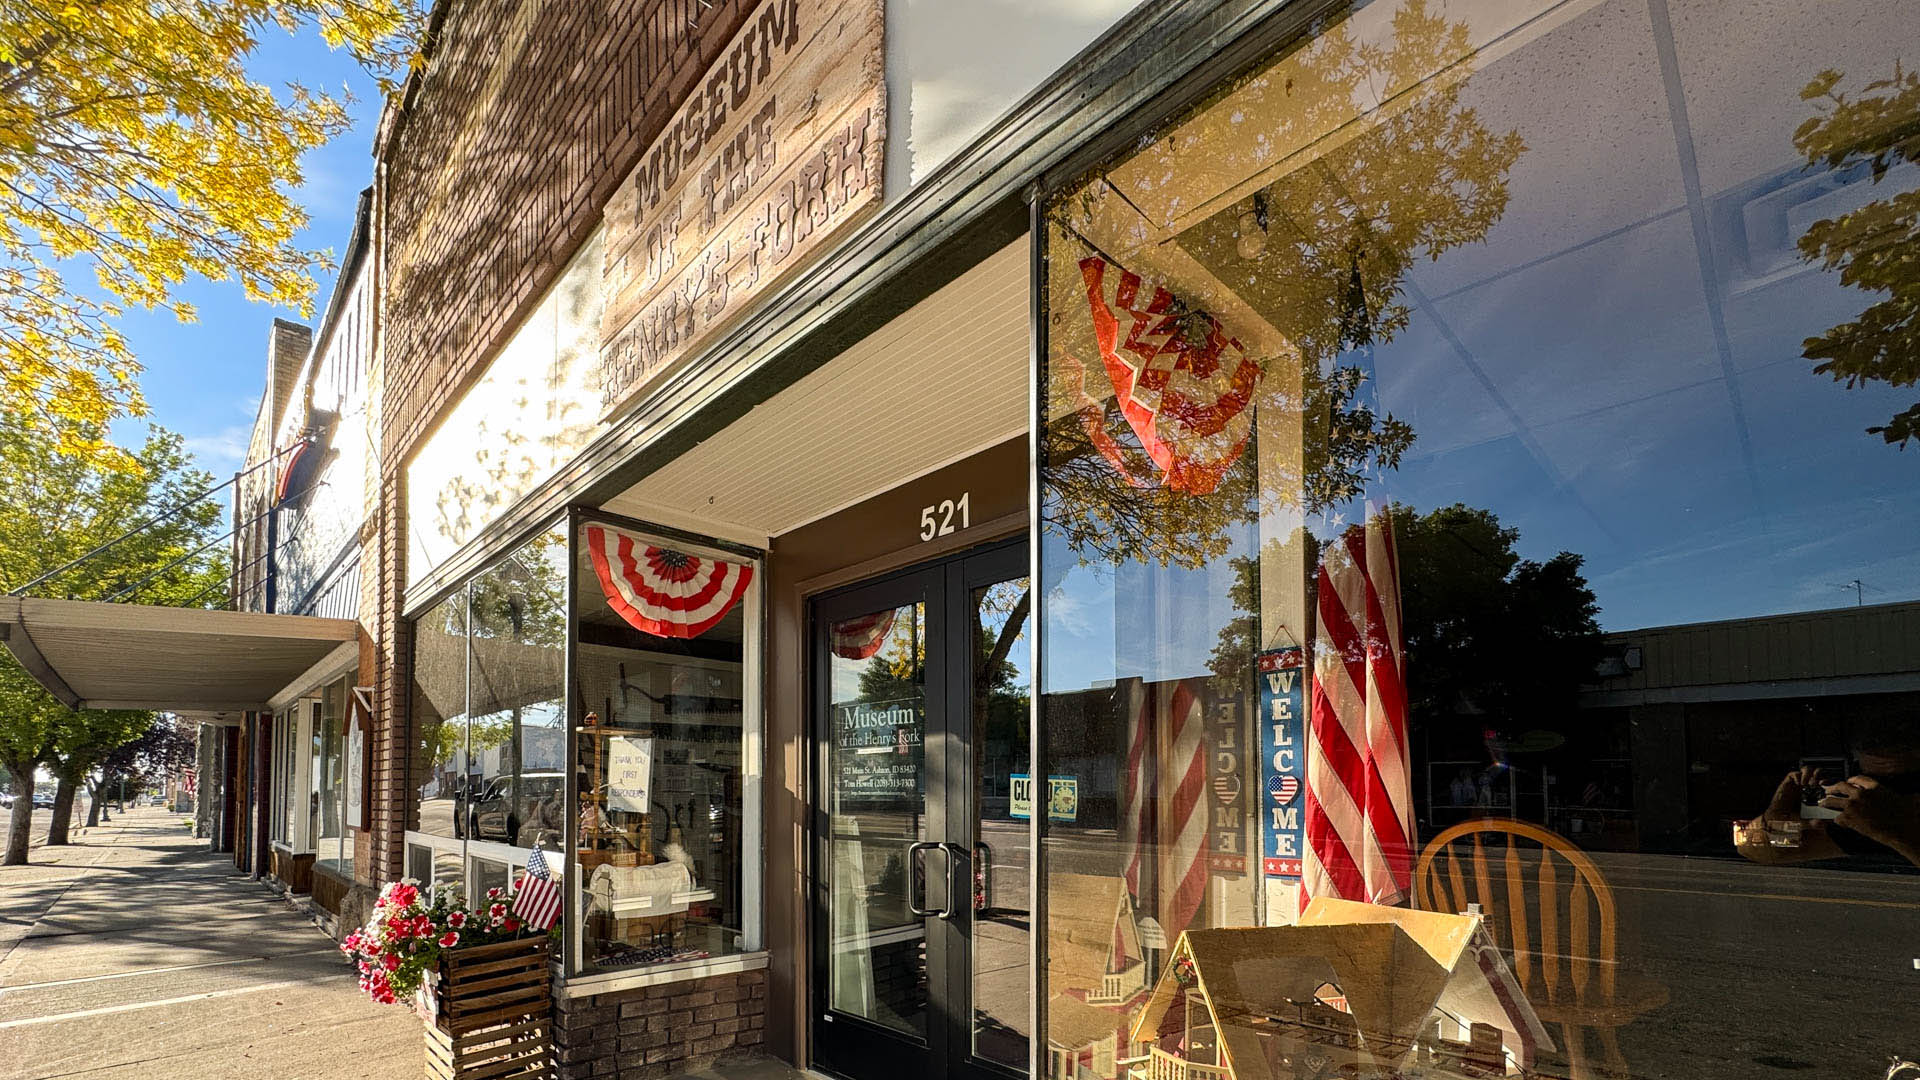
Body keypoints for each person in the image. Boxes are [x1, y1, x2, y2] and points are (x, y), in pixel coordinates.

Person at [1737, 713, 1920, 869]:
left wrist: (1899, 833)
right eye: (1864, 782)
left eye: (1901, 782)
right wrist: (1779, 815)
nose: (1874, 793)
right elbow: (1753, 847)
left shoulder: (1888, 821)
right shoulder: (1872, 818)